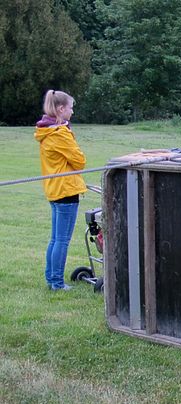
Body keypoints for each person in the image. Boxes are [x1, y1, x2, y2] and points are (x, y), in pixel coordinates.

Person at [34, 90, 87, 291]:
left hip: (54, 189)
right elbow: (80, 161)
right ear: (61, 109)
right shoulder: (59, 133)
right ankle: (56, 282)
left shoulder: (46, 131)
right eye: (71, 108)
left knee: (56, 238)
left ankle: (51, 278)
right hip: (65, 191)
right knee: (62, 240)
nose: (72, 112)